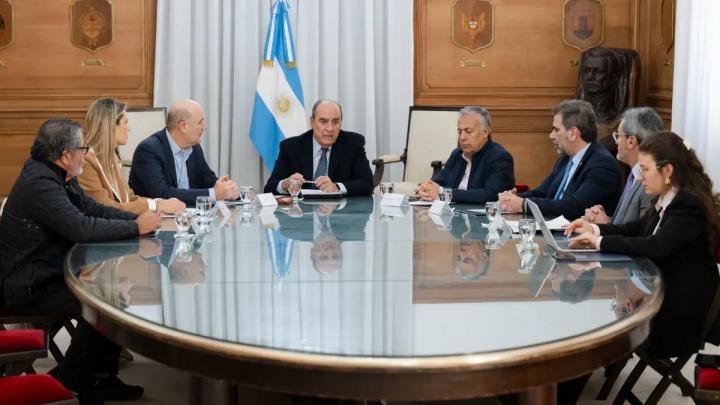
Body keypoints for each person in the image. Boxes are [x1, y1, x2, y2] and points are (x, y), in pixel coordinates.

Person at [0, 118, 161, 403]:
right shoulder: (40, 183)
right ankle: (75, 376)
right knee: (104, 302)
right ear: (65, 156)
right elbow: (81, 228)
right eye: (82, 149)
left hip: (45, 273)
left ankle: (101, 376)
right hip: (25, 285)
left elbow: (92, 209)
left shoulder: (55, 172)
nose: (85, 154)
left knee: (110, 294)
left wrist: (137, 219)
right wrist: (135, 228)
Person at [566, 130, 720, 358]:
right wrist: (594, 229)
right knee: (592, 314)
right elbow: (635, 229)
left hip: (677, 311)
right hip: (659, 293)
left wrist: (599, 242)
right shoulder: (669, 197)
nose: (639, 178)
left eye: (645, 170)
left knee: (596, 322)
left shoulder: (688, 205)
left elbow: (656, 246)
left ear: (667, 171)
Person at [498, 99, 622, 220]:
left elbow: (574, 207)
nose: (551, 135)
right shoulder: (565, 159)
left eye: (556, 129)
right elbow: (542, 192)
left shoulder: (602, 165)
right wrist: (513, 198)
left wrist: (524, 204)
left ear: (572, 133)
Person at [78, 97, 186, 215]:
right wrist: (155, 206)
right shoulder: (86, 162)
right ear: (111, 126)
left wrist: (160, 202)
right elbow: (105, 208)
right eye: (125, 122)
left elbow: (130, 198)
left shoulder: (112, 158)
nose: (129, 129)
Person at [129, 99, 239, 206]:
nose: (204, 127)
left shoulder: (194, 147)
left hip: (188, 215)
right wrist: (213, 194)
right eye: (200, 122)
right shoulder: (148, 150)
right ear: (183, 126)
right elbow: (162, 194)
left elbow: (207, 180)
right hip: (155, 217)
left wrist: (226, 189)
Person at [264, 99, 374, 196]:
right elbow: (269, 188)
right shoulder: (291, 147)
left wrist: (337, 187)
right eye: (323, 121)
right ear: (312, 122)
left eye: (335, 122)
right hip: (303, 212)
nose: (330, 128)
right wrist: (285, 184)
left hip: (339, 211)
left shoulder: (353, 144)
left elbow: (367, 184)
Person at [414, 106, 515, 204]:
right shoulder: (457, 154)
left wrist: (443, 193)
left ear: (485, 132)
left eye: (468, 131)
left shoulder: (500, 158)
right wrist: (426, 188)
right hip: (450, 212)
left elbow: (491, 195)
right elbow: (439, 182)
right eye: (459, 132)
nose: (462, 138)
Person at [583, 107, 662, 225]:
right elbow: (624, 225)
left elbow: (643, 232)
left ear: (631, 141)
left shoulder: (650, 183)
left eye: (618, 136)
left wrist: (606, 226)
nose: (616, 142)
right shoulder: (633, 174)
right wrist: (602, 220)